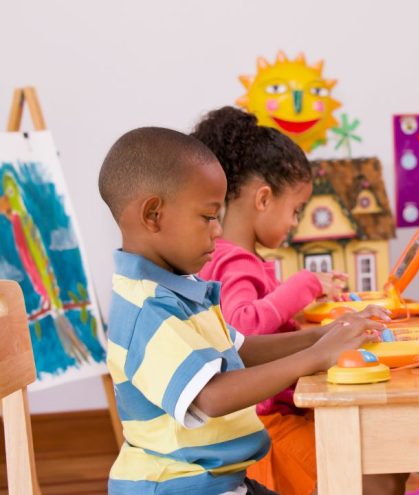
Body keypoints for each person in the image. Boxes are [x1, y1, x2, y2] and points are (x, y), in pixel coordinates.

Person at [99, 127, 382, 495]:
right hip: (182, 488)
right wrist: (315, 356)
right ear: (153, 215)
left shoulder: (178, 289)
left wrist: (326, 334)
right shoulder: (147, 308)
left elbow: (241, 347)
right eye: (208, 217)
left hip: (217, 481)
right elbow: (211, 396)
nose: (218, 231)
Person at [193, 106, 408, 495]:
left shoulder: (230, 258)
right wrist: (304, 283)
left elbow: (262, 320)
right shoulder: (235, 261)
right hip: (265, 425)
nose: (294, 223)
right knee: (381, 479)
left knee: (387, 465)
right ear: (263, 199)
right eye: (295, 210)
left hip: (272, 415)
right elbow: (241, 328)